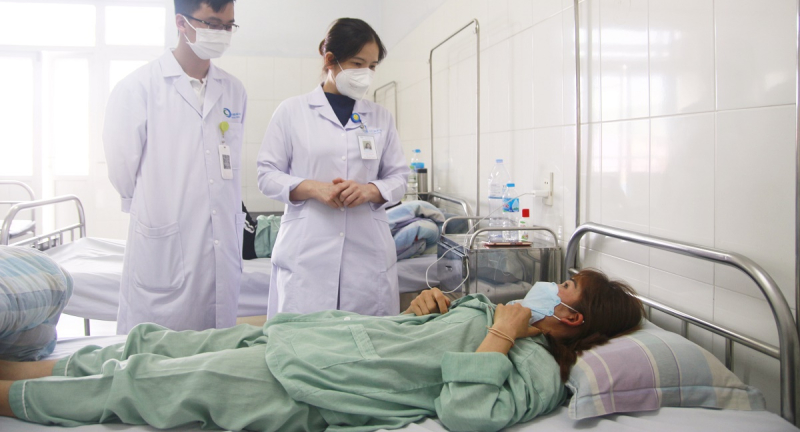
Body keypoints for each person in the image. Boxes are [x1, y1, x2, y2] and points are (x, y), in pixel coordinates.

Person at [0, 270, 643, 432]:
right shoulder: (493, 310)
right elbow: (418, 337)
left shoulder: (537, 369)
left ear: (572, 316)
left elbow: (465, 413)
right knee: (164, 343)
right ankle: (36, 367)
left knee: (162, 380)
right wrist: (426, 309)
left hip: (326, 382)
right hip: (319, 339)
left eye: (565, 285)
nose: (550, 286)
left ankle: (16, 397)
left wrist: (501, 335)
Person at [103, 0, 248, 333]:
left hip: (221, 241)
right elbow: (122, 169)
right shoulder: (138, 87)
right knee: (157, 350)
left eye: (228, 25)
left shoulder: (233, 90)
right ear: (181, 23)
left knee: (216, 350)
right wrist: (156, 207)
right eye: (212, 23)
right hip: (163, 238)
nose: (222, 33)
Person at [257, 18, 408, 318]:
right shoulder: (292, 112)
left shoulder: (380, 116)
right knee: (306, 338)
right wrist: (314, 188)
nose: (366, 74)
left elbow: (399, 177)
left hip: (367, 254)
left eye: (372, 66)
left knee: (367, 339)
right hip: (308, 251)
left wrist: (370, 190)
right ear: (330, 60)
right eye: (357, 64)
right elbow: (266, 175)